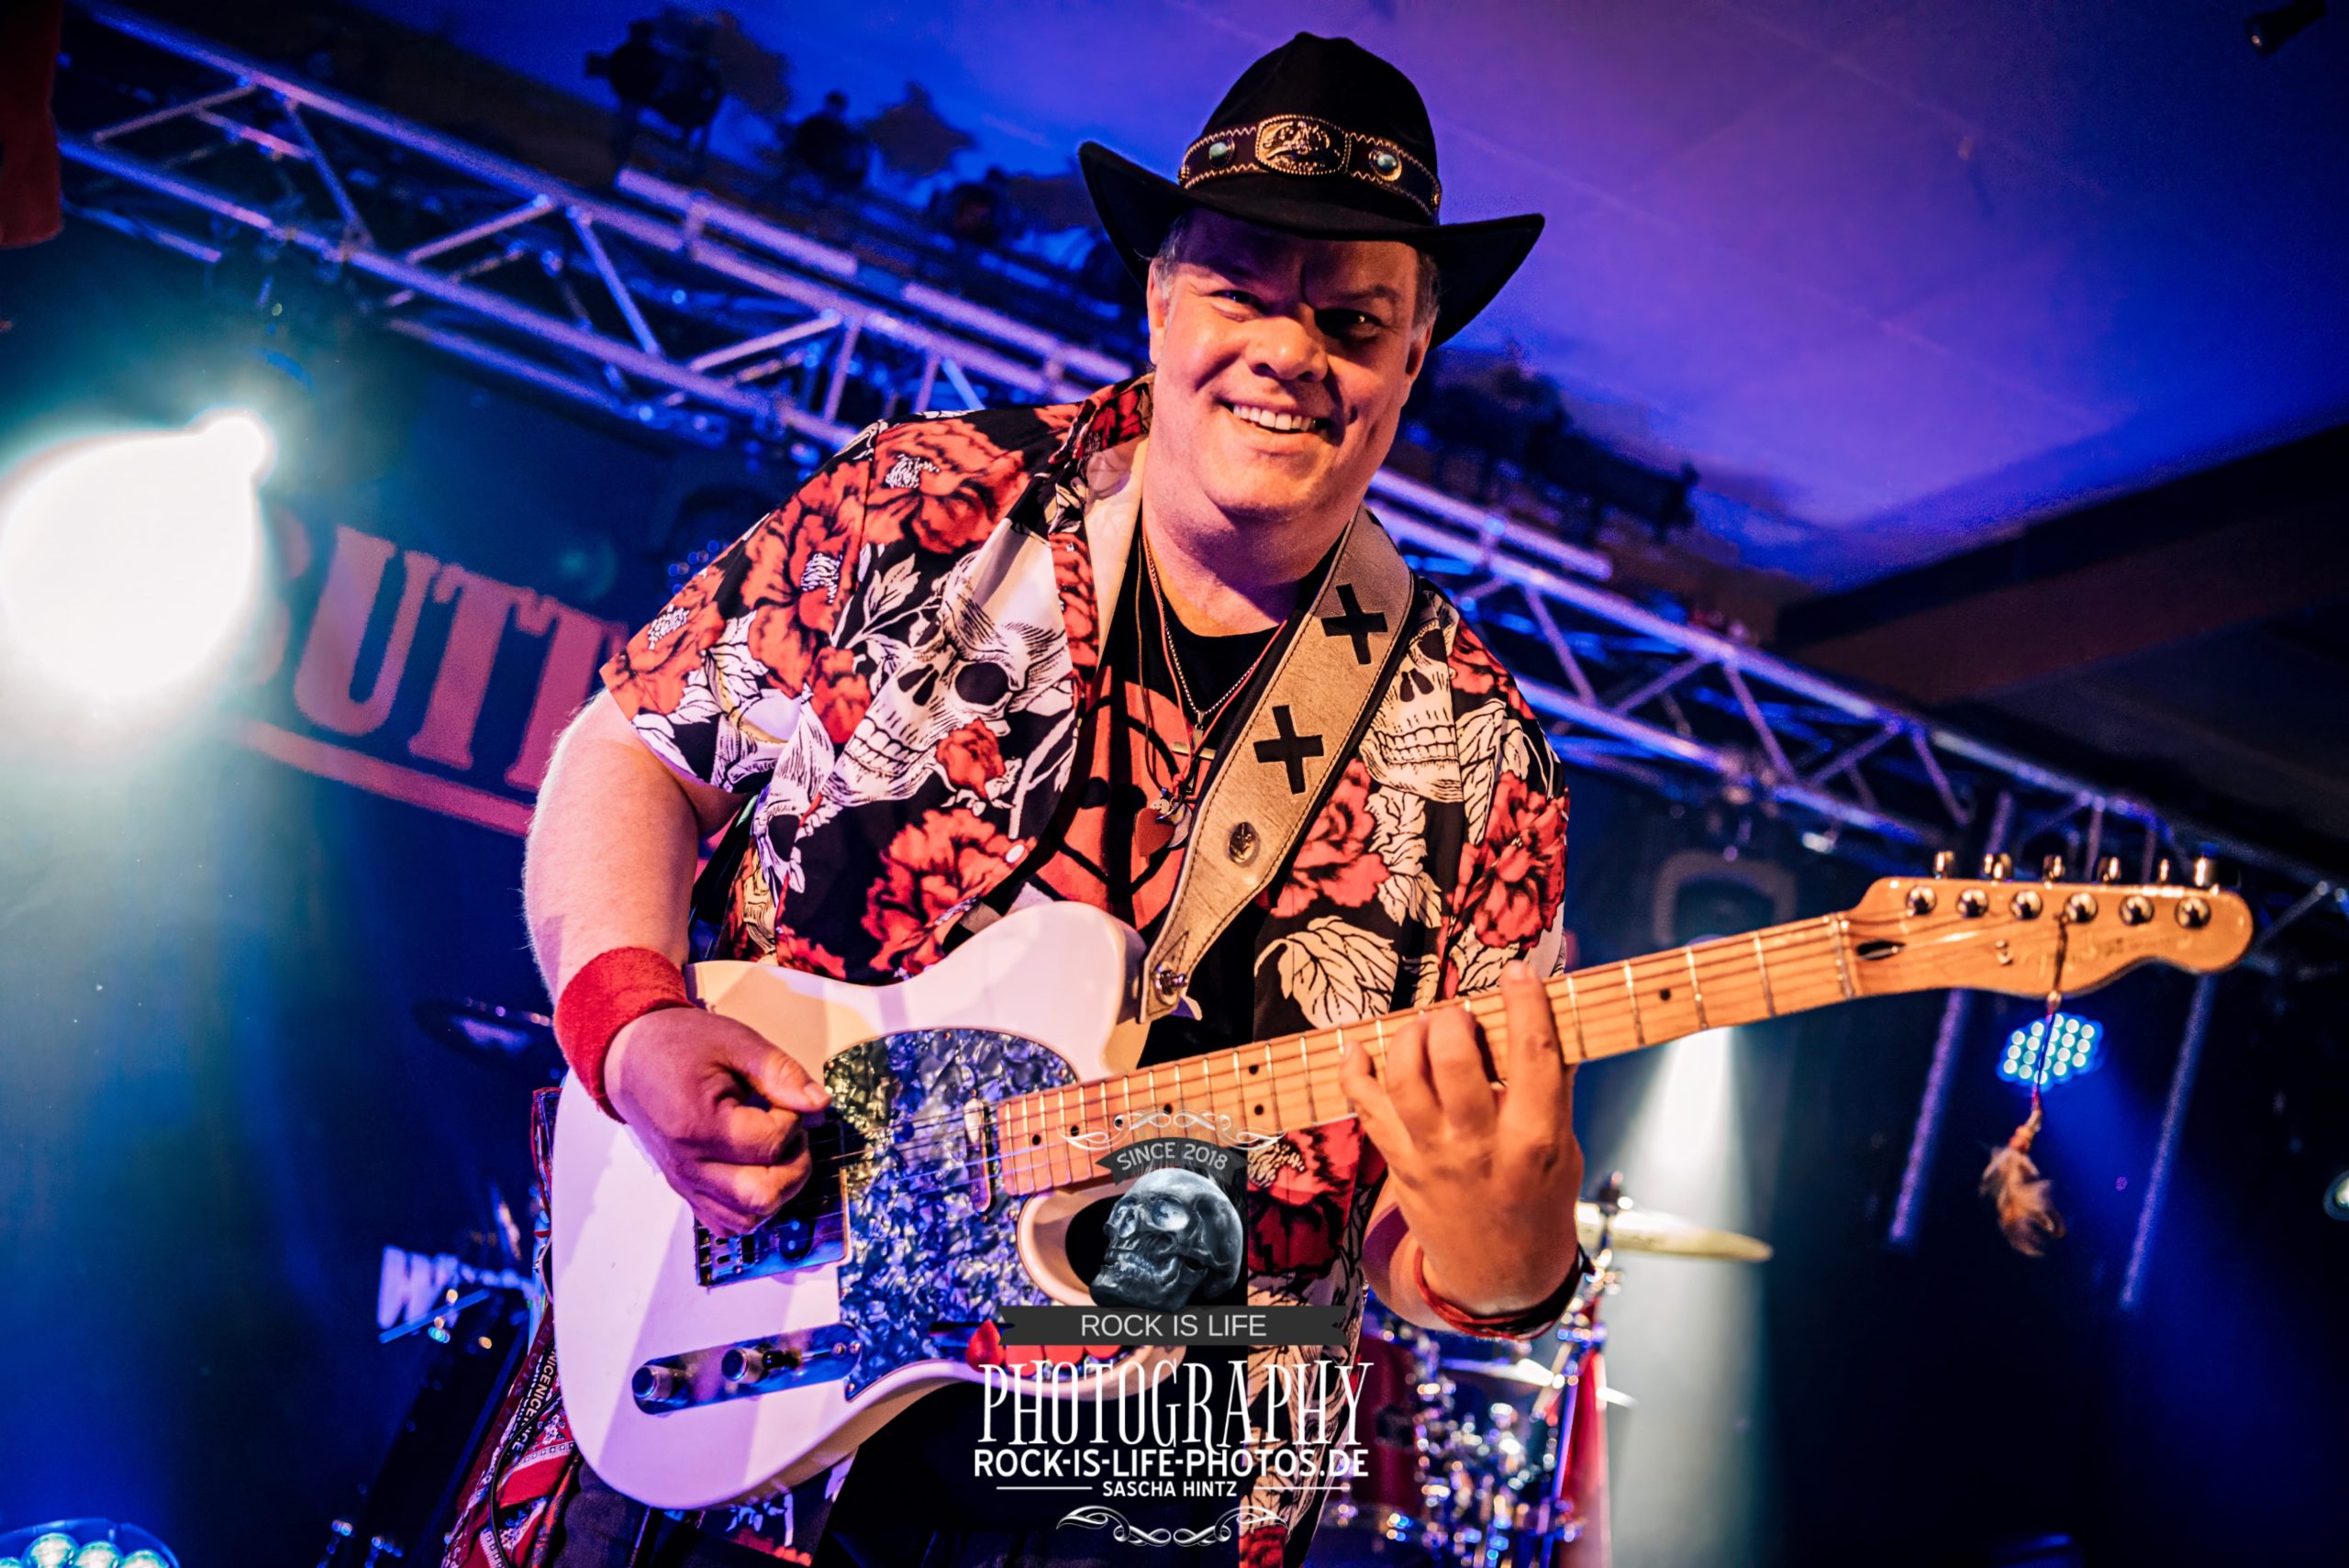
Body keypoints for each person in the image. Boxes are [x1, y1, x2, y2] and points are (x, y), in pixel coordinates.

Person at [451, 33, 1584, 1568]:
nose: (1290, 350)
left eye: (1352, 318)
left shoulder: (1482, 758)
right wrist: (632, 1019)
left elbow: (1410, 1235)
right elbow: (636, 746)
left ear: (1414, 353)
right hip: (705, 1387)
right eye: (1242, 288)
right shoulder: (924, 502)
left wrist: (1505, 1255)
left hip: (1131, 1494)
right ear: (1160, 296)